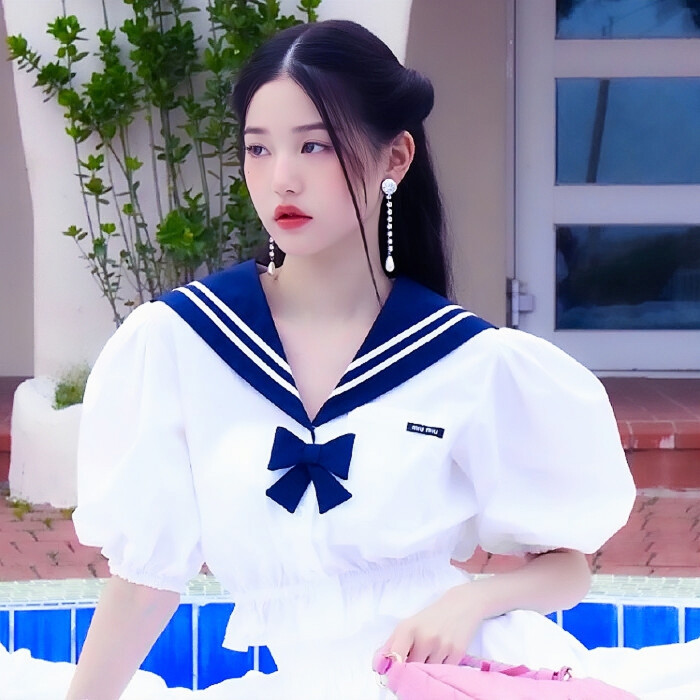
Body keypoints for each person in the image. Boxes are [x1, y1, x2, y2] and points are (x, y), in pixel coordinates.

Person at [2, 17, 699, 700]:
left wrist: (471, 602)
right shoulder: (181, 342)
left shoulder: (470, 360)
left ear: (395, 158)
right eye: (258, 149)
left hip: (456, 676)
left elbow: (568, 569)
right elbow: (144, 583)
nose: (282, 179)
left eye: (315, 146)